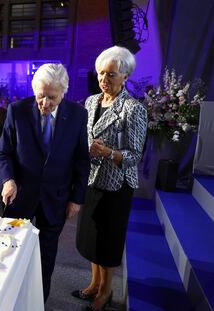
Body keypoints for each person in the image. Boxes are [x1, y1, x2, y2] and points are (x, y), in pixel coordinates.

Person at [0, 63, 90, 301]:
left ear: (64, 92)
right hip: (19, 196)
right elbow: (4, 153)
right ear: (33, 90)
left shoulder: (78, 115)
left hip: (56, 198)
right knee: (10, 253)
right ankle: (8, 301)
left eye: (52, 97)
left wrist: (76, 198)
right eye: (40, 96)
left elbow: (81, 159)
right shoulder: (16, 110)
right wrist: (8, 180)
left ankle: (38, 302)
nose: (45, 103)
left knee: (46, 258)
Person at [74, 46, 147, 311]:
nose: (104, 79)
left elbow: (135, 155)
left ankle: (106, 292)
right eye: (101, 73)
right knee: (90, 238)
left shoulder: (134, 108)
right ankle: (93, 284)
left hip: (116, 186)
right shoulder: (91, 101)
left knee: (107, 242)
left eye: (111, 74)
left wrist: (109, 152)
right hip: (92, 180)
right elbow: (84, 138)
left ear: (125, 76)